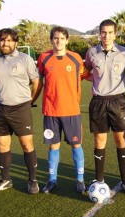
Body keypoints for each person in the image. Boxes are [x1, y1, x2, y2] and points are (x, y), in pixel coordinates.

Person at [0, 28, 41, 194]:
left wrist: (30, 101)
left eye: (9, 40)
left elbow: (37, 83)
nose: (5, 43)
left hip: (21, 108)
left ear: (15, 42)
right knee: (2, 145)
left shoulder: (25, 59)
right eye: (2, 40)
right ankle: (6, 179)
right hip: (1, 109)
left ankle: (33, 180)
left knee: (26, 144)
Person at [84, 19, 125, 194]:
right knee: (100, 141)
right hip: (98, 101)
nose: (106, 36)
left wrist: (123, 82)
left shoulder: (124, 52)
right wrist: (96, 81)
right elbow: (85, 71)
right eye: (103, 32)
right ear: (100, 33)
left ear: (115, 33)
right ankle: (99, 180)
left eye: (110, 32)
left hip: (118, 101)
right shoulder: (92, 52)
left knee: (120, 140)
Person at [37, 26, 90, 194]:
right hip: (51, 111)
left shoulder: (75, 59)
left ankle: (80, 180)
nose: (58, 41)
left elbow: (88, 75)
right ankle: (52, 180)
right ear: (51, 40)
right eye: (55, 38)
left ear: (67, 40)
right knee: (53, 146)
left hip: (71, 111)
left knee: (76, 144)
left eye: (61, 38)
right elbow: (37, 80)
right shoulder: (44, 58)